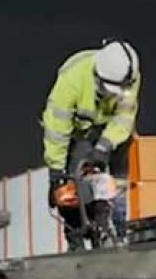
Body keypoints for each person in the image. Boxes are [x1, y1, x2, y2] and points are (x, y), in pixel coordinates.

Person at [41, 40, 140, 237]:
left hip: (113, 131)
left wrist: (104, 146)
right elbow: (57, 130)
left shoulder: (130, 77)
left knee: (122, 179)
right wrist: (56, 172)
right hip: (80, 132)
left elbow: (124, 118)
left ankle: (120, 230)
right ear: (97, 78)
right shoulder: (71, 80)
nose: (117, 96)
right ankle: (76, 235)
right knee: (71, 190)